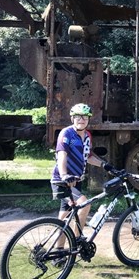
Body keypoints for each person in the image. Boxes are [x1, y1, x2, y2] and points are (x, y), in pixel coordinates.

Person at [50, 103, 114, 247]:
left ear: (88, 119)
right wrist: (65, 175)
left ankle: (59, 252)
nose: (81, 119)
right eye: (78, 116)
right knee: (85, 205)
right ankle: (77, 243)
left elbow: (88, 156)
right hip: (62, 180)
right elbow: (62, 155)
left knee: (63, 219)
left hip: (75, 182)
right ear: (72, 118)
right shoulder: (66, 133)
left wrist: (104, 165)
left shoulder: (87, 136)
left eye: (85, 117)